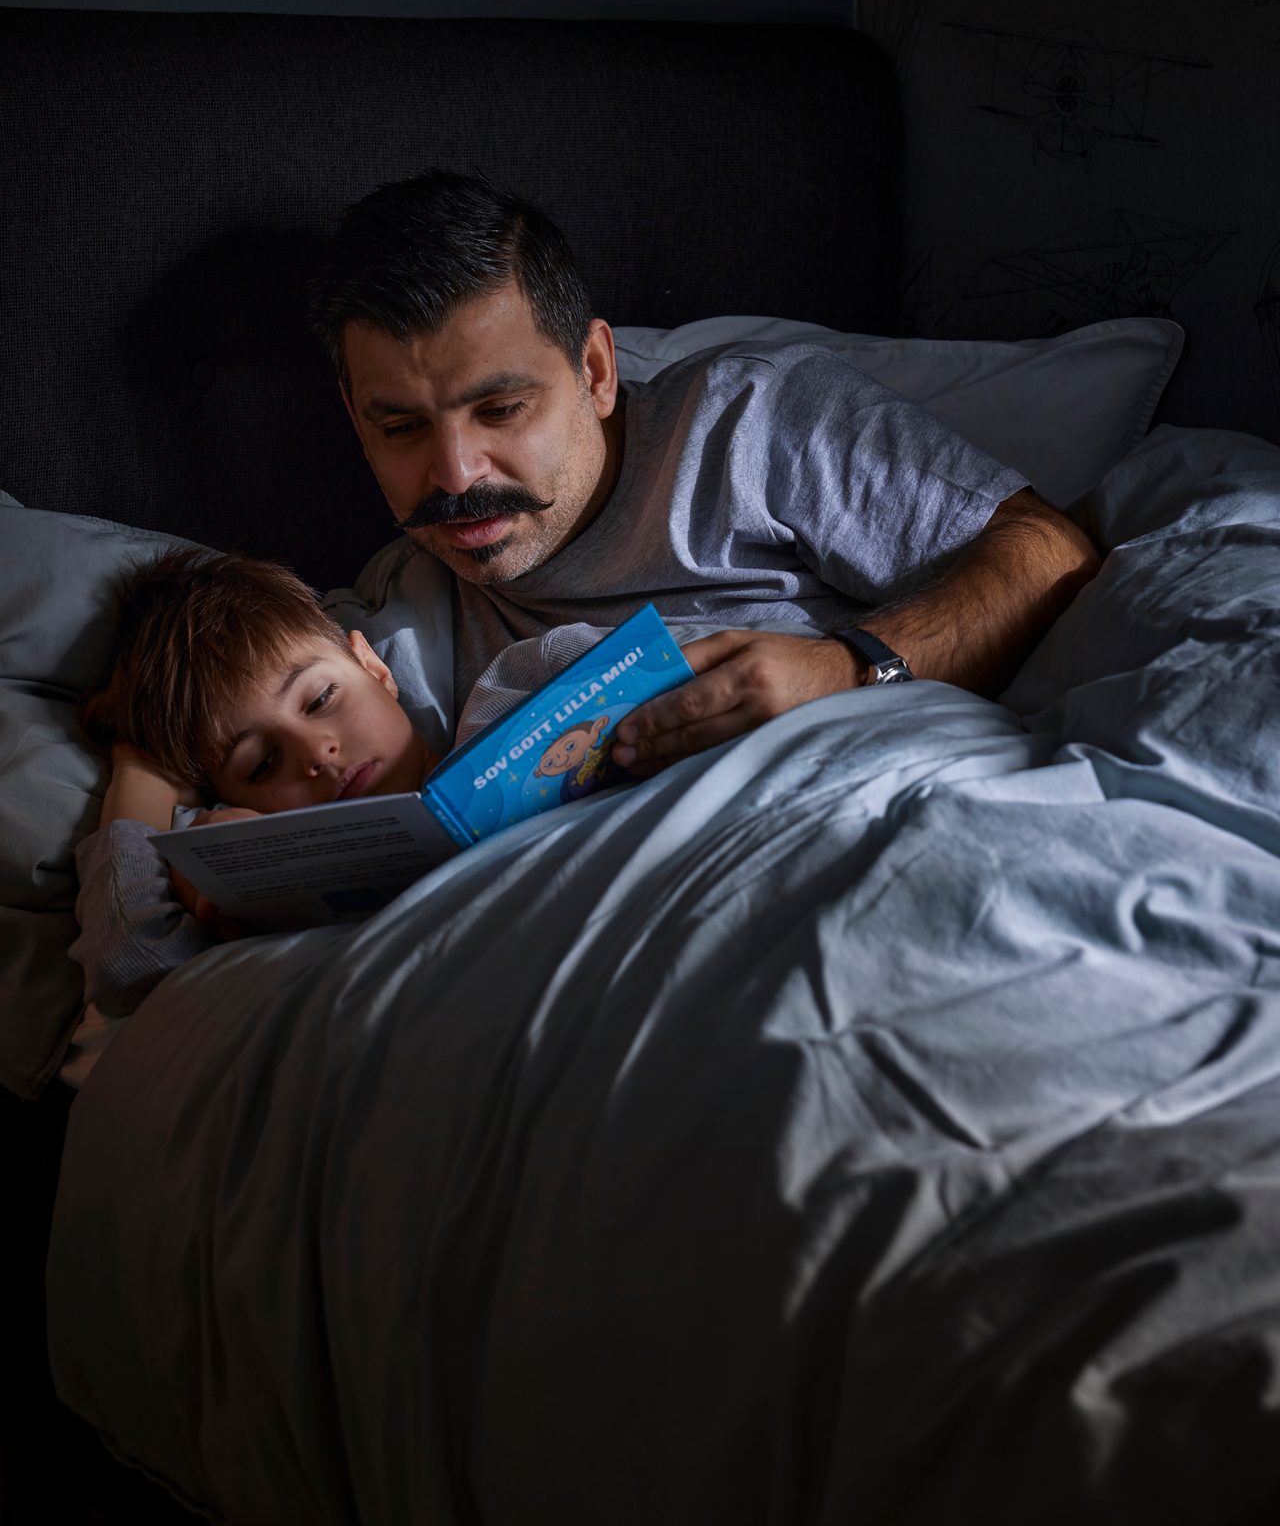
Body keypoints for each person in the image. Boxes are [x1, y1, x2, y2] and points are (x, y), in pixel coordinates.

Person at [307, 170, 1100, 771]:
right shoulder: (395, 612)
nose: (453, 474)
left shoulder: (749, 422)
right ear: (354, 422)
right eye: (404, 427)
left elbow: (1047, 553)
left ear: (594, 370)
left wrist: (845, 671)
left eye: (502, 410)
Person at [73, 545, 438, 1015]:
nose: (315, 753)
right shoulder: (278, 898)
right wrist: (140, 772)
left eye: (320, 699)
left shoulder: (504, 694)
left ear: (373, 667)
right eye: (261, 764)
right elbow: (131, 967)